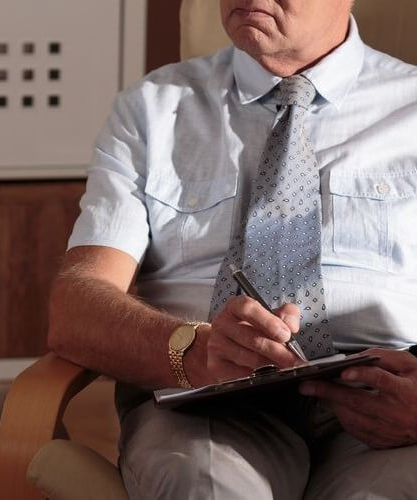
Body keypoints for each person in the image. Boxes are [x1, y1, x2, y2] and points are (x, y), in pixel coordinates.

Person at [48, 1, 417, 498]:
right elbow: (76, 306)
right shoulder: (154, 108)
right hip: (205, 403)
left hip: (384, 396)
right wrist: (191, 351)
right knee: (204, 486)